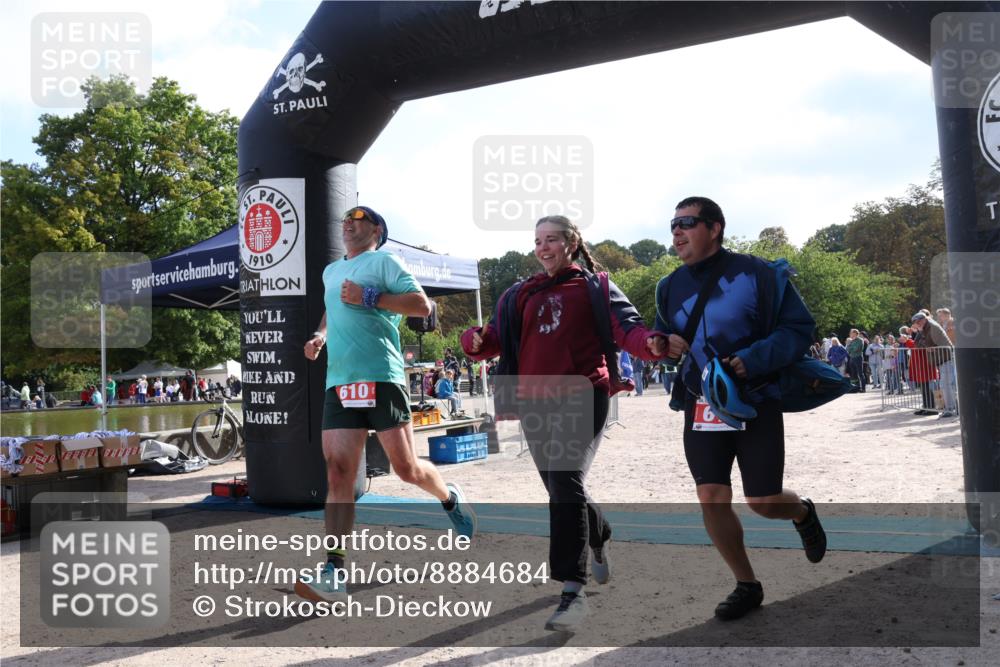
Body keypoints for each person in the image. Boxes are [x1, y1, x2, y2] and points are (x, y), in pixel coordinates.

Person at [462, 214, 667, 632]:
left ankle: (572, 591)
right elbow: (492, 341)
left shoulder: (596, 287)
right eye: (537, 241)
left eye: (551, 239)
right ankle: (600, 532)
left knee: (565, 479)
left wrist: (649, 344)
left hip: (583, 392)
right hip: (533, 400)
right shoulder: (519, 293)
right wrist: (474, 340)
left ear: (571, 243)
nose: (542, 247)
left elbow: (628, 330)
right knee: (561, 486)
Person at [654, 196, 826, 621]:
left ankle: (802, 511)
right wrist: (661, 346)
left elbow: (799, 330)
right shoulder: (668, 286)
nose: (676, 231)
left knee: (763, 500)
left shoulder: (759, 273)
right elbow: (664, 340)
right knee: (711, 496)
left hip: (757, 398)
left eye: (687, 222)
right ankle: (746, 584)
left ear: (714, 228)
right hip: (701, 404)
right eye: (673, 224)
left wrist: (755, 358)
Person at [297, 205, 476, 603]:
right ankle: (333, 571)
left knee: (406, 469)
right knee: (338, 472)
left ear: (376, 229)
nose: (347, 223)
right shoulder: (331, 271)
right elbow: (332, 306)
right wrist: (320, 334)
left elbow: (421, 306)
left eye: (357, 220)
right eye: (344, 219)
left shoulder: (385, 260)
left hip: (383, 376)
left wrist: (371, 296)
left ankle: (449, 499)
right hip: (340, 381)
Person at [910, 311, 952, 417]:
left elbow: (925, 344)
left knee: (946, 384)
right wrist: (921, 333)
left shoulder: (931, 327)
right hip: (940, 358)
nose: (917, 324)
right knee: (944, 384)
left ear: (924, 320)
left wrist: (920, 333)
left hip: (945, 357)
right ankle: (949, 408)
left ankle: (950, 409)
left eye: (919, 322)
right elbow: (919, 345)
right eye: (916, 323)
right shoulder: (926, 327)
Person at [934, 308, 959, 418]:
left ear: (946, 314)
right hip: (945, 357)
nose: (939, 318)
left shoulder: (953, 323)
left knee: (951, 382)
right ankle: (951, 406)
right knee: (947, 383)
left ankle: (953, 407)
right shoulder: (942, 325)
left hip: (952, 356)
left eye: (940, 315)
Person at [845, 328, 866, 393]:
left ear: (855, 333)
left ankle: (863, 388)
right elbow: (847, 349)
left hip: (858, 357)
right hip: (852, 358)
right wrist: (851, 348)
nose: (851, 334)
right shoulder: (851, 341)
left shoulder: (860, 340)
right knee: (854, 374)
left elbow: (856, 349)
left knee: (860, 373)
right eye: (850, 333)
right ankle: (857, 388)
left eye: (852, 333)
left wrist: (851, 349)